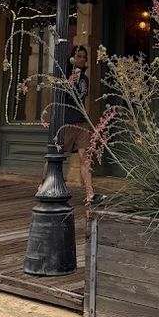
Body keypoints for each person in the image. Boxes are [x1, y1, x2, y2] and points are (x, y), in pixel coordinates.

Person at [60, 44, 103, 205]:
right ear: (72, 58)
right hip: (66, 122)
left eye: (84, 57)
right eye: (79, 56)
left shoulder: (85, 79)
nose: (82, 59)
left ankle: (90, 194)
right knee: (55, 156)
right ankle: (43, 185)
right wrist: (66, 84)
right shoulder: (63, 74)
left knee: (85, 156)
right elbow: (58, 97)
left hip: (81, 122)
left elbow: (81, 98)